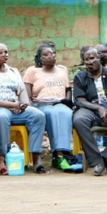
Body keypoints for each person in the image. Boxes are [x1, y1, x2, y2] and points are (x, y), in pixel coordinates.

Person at [0, 41, 47, 175]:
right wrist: (12, 105)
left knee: (38, 116)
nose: (5, 55)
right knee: (2, 117)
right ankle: (1, 159)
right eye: (0, 52)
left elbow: (23, 93)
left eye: (6, 52)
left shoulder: (13, 71)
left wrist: (23, 105)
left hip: (16, 108)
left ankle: (36, 158)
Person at [71, 47, 107, 177]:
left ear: (100, 59)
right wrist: (98, 108)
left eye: (92, 58)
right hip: (89, 109)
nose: (88, 62)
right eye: (86, 60)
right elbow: (79, 99)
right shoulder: (80, 77)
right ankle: (97, 160)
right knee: (79, 120)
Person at [23, 44, 78, 172]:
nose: (51, 56)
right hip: (40, 104)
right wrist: (30, 105)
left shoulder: (62, 71)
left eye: (53, 53)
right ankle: (57, 157)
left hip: (59, 104)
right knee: (52, 114)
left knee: (66, 113)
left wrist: (67, 101)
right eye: (46, 54)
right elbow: (27, 94)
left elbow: (68, 89)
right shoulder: (32, 71)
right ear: (39, 58)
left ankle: (61, 153)